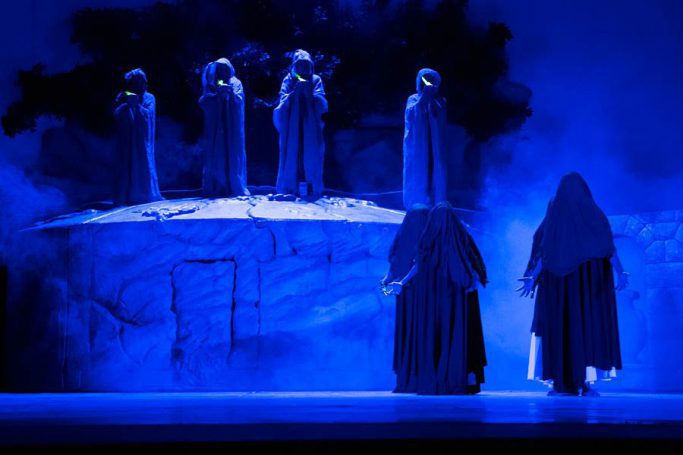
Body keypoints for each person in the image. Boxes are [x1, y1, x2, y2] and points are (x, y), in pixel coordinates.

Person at [518, 172, 628, 396]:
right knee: (584, 329)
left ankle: (562, 383)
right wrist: (621, 272)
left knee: (560, 330)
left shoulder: (556, 213)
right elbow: (608, 248)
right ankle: (581, 383)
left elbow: (544, 250)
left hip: (558, 288)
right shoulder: (593, 214)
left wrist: (533, 277)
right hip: (586, 287)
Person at [385, 202, 487, 394]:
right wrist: (475, 280)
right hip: (457, 301)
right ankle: (458, 380)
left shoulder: (428, 240)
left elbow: (418, 265)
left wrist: (401, 282)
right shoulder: (461, 238)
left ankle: (429, 378)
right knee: (455, 336)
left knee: (434, 336)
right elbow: (473, 265)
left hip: (432, 302)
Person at [381, 204, 431, 393]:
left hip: (405, 296)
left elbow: (392, 268)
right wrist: (398, 281)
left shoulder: (401, 240)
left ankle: (407, 379)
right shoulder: (426, 240)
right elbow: (419, 265)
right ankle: (419, 378)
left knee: (407, 335)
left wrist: (388, 282)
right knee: (420, 335)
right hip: (420, 296)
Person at [273, 49, 328, 197]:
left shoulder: (315, 79)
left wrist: (309, 94)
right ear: (295, 66)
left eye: (305, 65)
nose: (303, 68)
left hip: (310, 125)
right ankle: (290, 185)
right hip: (292, 125)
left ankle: (311, 186)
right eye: (300, 64)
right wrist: (294, 94)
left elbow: (321, 102)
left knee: (310, 152)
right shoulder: (288, 80)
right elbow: (282, 100)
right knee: (292, 152)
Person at [199, 58, 249, 197]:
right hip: (217, 128)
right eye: (220, 69)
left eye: (224, 69)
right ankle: (218, 185)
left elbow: (239, 100)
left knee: (233, 153)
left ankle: (234, 184)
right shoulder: (212, 84)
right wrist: (217, 96)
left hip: (232, 126)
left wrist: (230, 93)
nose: (222, 72)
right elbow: (204, 101)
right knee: (218, 153)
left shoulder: (236, 83)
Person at [113, 68, 163, 205]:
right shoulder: (125, 97)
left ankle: (145, 194)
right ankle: (127, 194)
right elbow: (117, 115)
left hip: (143, 138)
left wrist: (136, 105)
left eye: (139, 82)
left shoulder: (149, 97)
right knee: (128, 163)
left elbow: (148, 115)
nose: (137, 86)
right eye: (134, 83)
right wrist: (125, 104)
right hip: (128, 139)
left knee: (143, 163)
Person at [402, 68, 447, 210]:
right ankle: (416, 204)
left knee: (435, 171)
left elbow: (438, 116)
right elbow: (412, 114)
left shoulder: (440, 101)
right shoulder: (413, 99)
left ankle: (435, 203)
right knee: (418, 171)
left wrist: (430, 99)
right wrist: (424, 98)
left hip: (434, 146)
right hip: (418, 145)